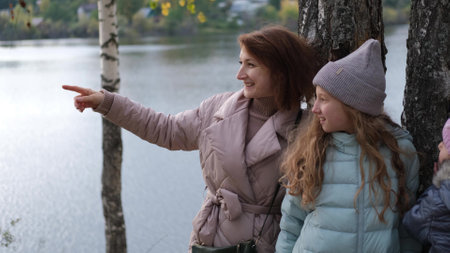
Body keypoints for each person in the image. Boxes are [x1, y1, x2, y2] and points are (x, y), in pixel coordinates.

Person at [63, 25, 318, 253]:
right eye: (240, 63)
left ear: (280, 72)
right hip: (206, 240)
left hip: (263, 245)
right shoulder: (217, 109)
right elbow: (166, 130)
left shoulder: (307, 128)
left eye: (250, 65)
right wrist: (107, 103)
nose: (240, 74)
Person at [275, 39, 422, 253]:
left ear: (353, 106)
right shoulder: (313, 150)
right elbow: (290, 225)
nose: (314, 108)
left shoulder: (399, 151)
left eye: (323, 99)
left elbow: (407, 227)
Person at [402, 118, 450, 252]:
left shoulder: (439, 198)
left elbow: (412, 222)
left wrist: (438, 183)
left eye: (446, 143)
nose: (440, 145)